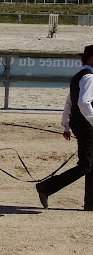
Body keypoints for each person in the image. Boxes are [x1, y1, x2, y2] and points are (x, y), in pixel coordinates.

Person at [36, 45, 93, 211]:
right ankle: (46, 187)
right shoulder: (89, 77)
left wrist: (66, 125)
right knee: (85, 165)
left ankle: (90, 203)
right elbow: (83, 103)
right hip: (87, 125)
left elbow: (69, 102)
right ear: (91, 59)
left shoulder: (78, 76)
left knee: (90, 163)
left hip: (80, 124)